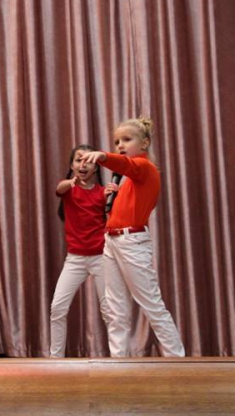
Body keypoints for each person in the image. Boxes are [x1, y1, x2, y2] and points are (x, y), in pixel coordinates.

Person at [81, 117, 185, 357]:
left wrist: (104, 156)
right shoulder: (128, 179)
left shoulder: (144, 168)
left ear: (145, 143)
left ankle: (176, 357)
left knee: (151, 303)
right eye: (117, 141)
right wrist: (113, 197)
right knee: (115, 306)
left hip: (132, 242)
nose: (120, 145)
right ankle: (119, 359)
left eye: (127, 139)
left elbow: (126, 164)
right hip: (112, 241)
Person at [49, 144, 115, 357]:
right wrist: (71, 182)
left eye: (88, 161)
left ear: (96, 167)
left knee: (109, 311)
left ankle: (119, 356)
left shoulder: (102, 193)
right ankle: (55, 357)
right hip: (75, 259)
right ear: (72, 166)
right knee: (57, 308)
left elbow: (113, 216)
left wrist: (112, 194)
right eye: (78, 160)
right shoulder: (68, 189)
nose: (83, 165)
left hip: (101, 258)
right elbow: (60, 188)